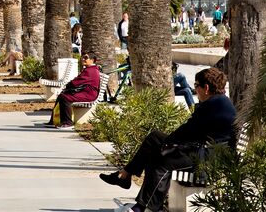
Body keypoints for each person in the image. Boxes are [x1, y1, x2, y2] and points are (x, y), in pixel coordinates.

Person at [99, 68, 236, 212]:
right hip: (203, 150)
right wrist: (168, 141)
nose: (195, 90)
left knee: (161, 160)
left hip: (208, 158)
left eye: (196, 85)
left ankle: (143, 206)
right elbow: (191, 131)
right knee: (155, 137)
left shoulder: (214, 105)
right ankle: (127, 177)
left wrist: (168, 143)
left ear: (206, 88)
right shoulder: (219, 102)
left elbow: (188, 131)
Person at [46, 53, 100, 128]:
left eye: (86, 58)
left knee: (65, 97)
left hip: (89, 94)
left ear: (92, 60)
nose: (83, 59)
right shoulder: (90, 69)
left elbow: (77, 82)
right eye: (83, 57)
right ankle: (54, 120)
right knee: (61, 95)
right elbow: (78, 81)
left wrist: (67, 86)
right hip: (85, 92)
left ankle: (68, 123)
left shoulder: (90, 71)